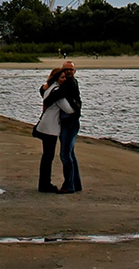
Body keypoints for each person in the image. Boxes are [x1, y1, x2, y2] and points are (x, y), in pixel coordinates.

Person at [33, 68, 75, 192]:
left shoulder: (48, 88)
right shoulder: (56, 91)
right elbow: (69, 109)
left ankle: (44, 183)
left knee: (46, 156)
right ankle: (45, 185)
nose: (64, 79)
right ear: (56, 78)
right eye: (62, 77)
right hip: (50, 127)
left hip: (45, 125)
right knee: (48, 156)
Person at [51, 60, 82, 193]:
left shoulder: (70, 83)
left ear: (74, 71)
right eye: (66, 69)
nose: (68, 71)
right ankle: (76, 184)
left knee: (65, 154)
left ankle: (69, 185)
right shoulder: (70, 82)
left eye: (71, 69)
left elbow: (58, 95)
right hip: (69, 122)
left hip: (70, 122)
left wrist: (46, 93)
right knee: (70, 154)